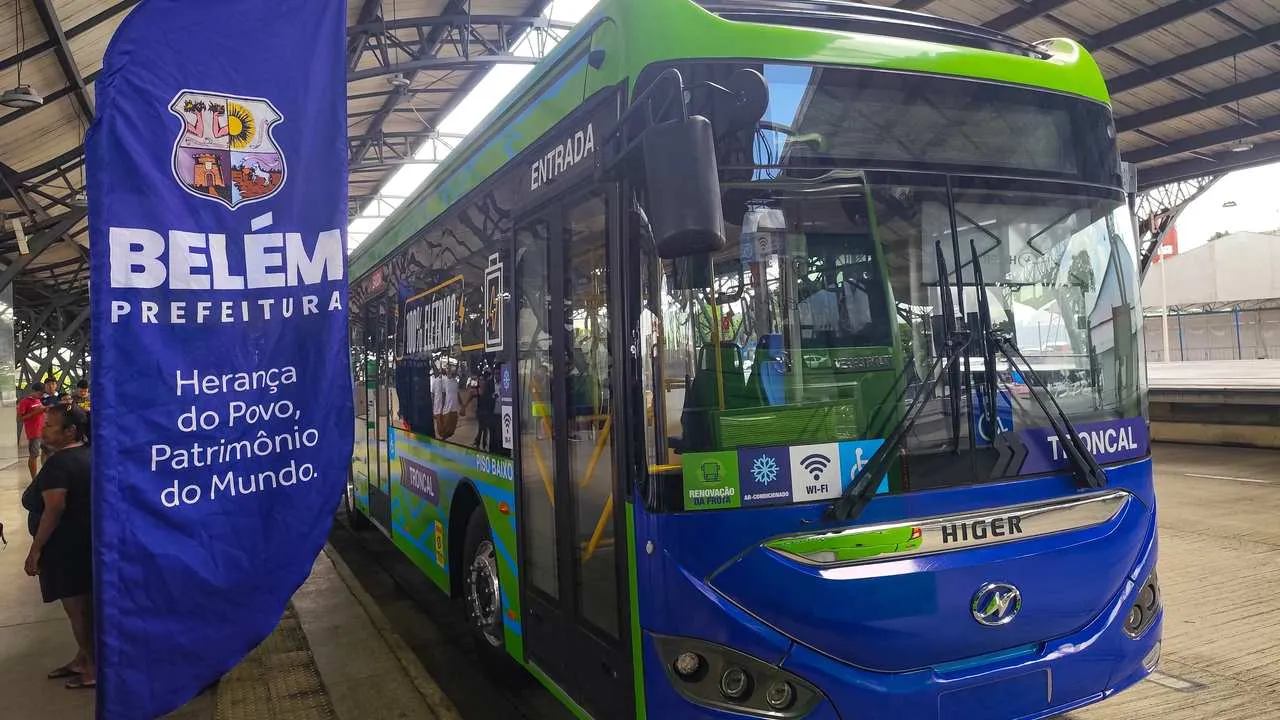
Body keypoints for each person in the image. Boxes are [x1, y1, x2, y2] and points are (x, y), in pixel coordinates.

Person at [22, 405, 94, 689]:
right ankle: (82, 659)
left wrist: (35, 549)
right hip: (83, 542)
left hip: (65, 548)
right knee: (85, 606)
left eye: (51, 426)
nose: (44, 429)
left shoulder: (59, 464)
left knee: (77, 610)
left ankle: (91, 667)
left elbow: (54, 509)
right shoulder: (87, 455)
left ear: (70, 431)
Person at [17, 384, 48, 480]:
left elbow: (40, 411)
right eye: (41, 393)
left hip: (43, 430)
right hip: (34, 432)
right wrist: (35, 413)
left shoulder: (38, 400)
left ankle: (44, 473)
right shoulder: (25, 402)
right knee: (34, 454)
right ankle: (34, 478)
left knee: (46, 451)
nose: (42, 395)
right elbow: (19, 418)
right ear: (34, 391)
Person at [437, 367, 461, 441]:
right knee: (446, 423)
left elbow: (458, 394)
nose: (451, 373)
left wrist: (462, 404)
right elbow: (443, 394)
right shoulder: (445, 381)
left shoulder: (455, 382)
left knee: (451, 425)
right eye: (449, 372)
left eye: (452, 372)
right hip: (447, 406)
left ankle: (445, 437)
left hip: (454, 407)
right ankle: (444, 437)